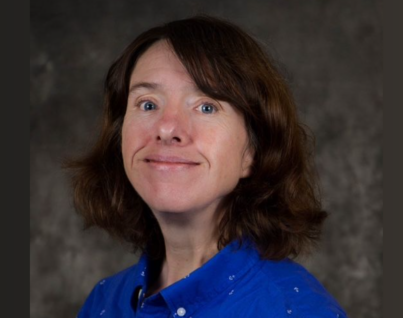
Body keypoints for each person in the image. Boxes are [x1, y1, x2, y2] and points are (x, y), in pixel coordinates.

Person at [68, 15, 347, 318]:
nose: (167, 128)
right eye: (148, 104)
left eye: (206, 106)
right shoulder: (104, 303)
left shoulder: (295, 310)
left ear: (252, 152)